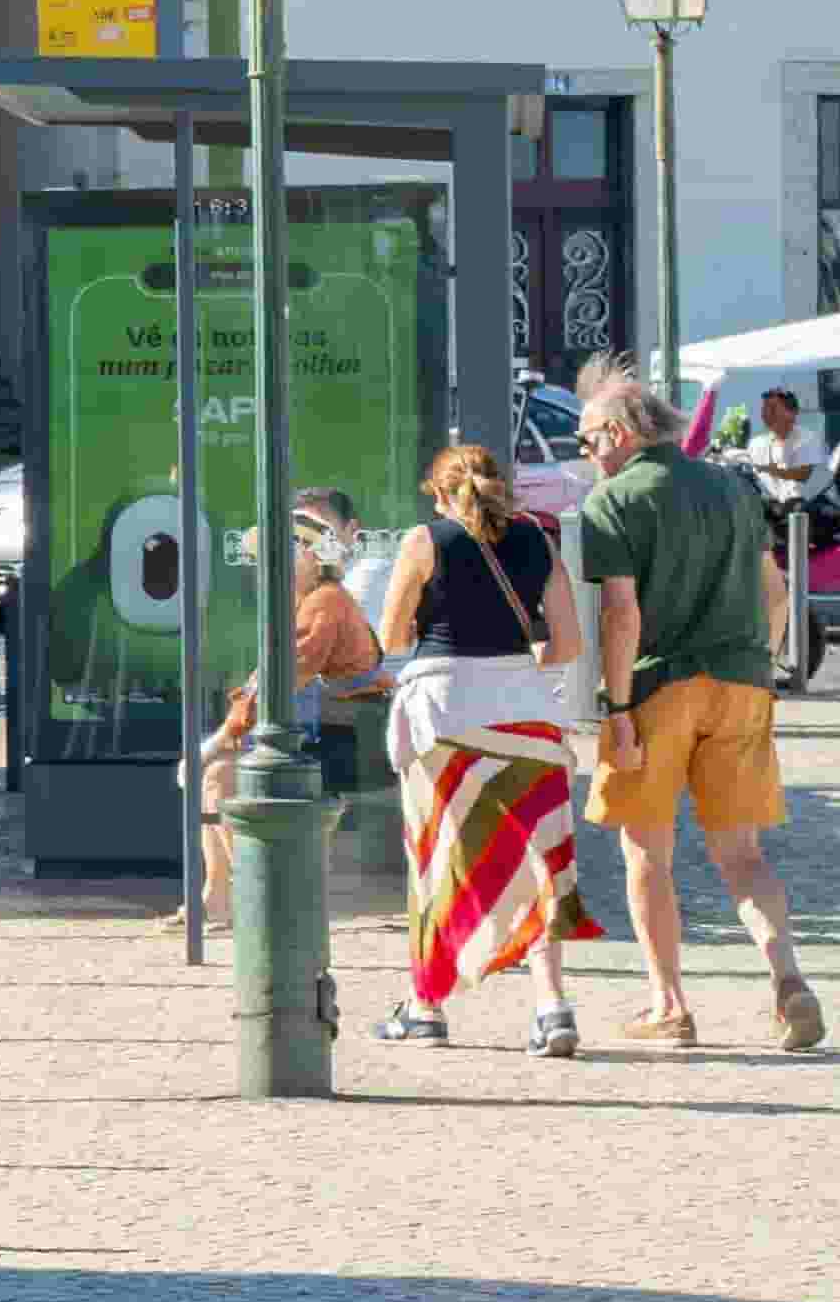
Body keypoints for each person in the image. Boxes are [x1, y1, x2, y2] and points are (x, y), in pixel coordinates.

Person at [572, 361, 822, 1053]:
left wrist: (617, 710)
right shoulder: (734, 487)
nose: (587, 453)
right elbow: (776, 596)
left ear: (620, 433)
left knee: (646, 850)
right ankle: (788, 980)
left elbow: (620, 614)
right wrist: (758, 665)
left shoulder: (615, 501)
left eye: (589, 439)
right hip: (743, 682)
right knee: (742, 854)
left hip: (657, 688)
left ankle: (669, 1003)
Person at [367, 437, 599, 1056]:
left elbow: (391, 635)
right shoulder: (537, 542)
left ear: (439, 493)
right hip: (527, 712)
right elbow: (569, 644)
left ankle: (426, 1006)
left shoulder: (423, 543)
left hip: (442, 713)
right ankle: (553, 1009)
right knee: (540, 862)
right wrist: (513, 670)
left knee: (436, 856)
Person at [186, 495, 389, 933]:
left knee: (219, 776)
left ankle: (260, 895)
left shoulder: (323, 603)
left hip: (343, 747)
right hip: (326, 739)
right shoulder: (308, 602)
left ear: (314, 557)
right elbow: (267, 679)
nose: (270, 565)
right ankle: (223, 896)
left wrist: (216, 741)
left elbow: (277, 679)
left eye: (287, 551)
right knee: (216, 778)